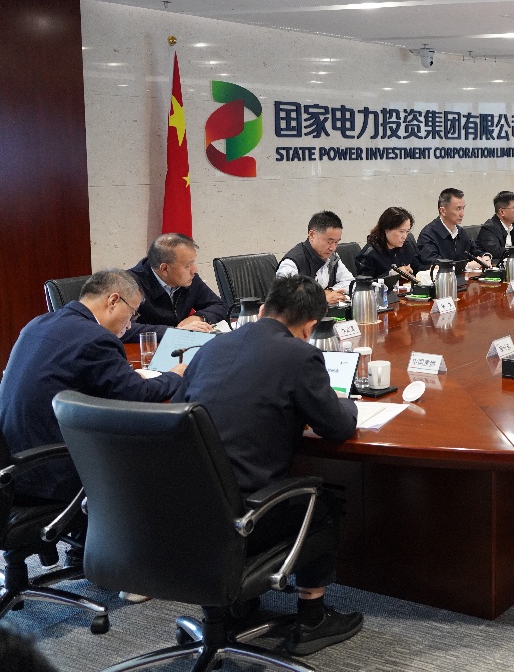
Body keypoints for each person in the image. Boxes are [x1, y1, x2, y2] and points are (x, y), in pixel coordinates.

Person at [174, 276, 361, 656]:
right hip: (242, 520)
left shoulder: (211, 348)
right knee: (322, 504)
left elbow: (179, 413)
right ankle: (313, 618)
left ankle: (236, 608)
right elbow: (338, 427)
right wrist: (347, 403)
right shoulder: (300, 356)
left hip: (180, 510)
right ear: (309, 327)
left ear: (261, 310)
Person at [0, 269, 185, 503]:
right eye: (132, 313)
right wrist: (174, 376)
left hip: (14, 463)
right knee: (159, 461)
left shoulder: (38, 323)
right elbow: (138, 395)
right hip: (52, 473)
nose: (130, 325)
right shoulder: (95, 338)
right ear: (114, 301)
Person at [122, 233, 226, 343]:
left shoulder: (190, 278)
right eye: (188, 265)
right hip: (144, 349)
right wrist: (175, 332)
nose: (194, 270)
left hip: (180, 345)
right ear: (164, 269)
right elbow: (121, 328)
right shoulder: (128, 284)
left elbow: (219, 306)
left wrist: (199, 317)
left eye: (193, 263)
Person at [278, 211, 354, 305]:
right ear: (312, 235)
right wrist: (321, 297)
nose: (333, 248)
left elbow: (350, 283)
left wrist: (330, 291)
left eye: (336, 242)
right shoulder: (292, 263)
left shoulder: (333, 257)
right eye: (329, 242)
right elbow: (285, 299)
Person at [418, 188, 492, 270]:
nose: (462, 214)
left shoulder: (460, 232)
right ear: (443, 211)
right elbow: (435, 264)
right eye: (458, 209)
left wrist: (485, 257)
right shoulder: (428, 235)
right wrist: (467, 266)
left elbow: (474, 250)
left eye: (463, 208)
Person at [355, 206, 425, 280]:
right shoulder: (369, 254)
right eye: (401, 231)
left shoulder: (406, 246)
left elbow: (418, 269)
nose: (404, 236)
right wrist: (392, 274)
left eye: (407, 231)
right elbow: (364, 283)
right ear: (386, 229)